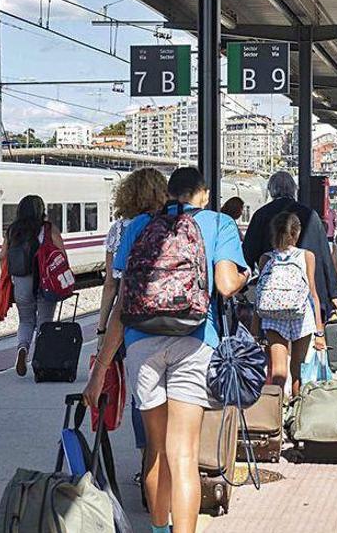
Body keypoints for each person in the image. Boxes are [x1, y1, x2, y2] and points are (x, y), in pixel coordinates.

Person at [84, 168, 249, 533]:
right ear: (203, 194)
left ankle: (158, 529)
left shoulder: (138, 226)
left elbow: (123, 303)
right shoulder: (218, 223)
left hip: (142, 342)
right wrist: (245, 276)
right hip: (194, 339)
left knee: (155, 451)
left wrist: (99, 374)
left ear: (169, 194)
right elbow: (225, 285)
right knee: (184, 454)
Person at [96, 168, 167, 473]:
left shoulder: (120, 229)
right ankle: (166, 458)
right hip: (179, 320)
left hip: (135, 323)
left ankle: (146, 458)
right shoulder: (174, 222)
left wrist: (102, 330)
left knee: (143, 394)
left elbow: (113, 285)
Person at [242, 171, 337, 322]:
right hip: (307, 291)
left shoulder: (261, 215)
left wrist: (241, 287)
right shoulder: (310, 215)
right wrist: (333, 292)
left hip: (273, 294)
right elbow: (325, 255)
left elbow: (247, 253)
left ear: (270, 190)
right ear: (294, 189)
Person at [256, 212, 325, 396]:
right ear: (297, 233)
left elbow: (260, 293)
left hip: (272, 315)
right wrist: (320, 332)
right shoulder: (307, 256)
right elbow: (313, 293)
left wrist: (255, 328)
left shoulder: (266, 258)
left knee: (279, 370)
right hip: (301, 315)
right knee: (298, 368)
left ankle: (276, 415)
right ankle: (296, 412)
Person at [0, 195, 65, 377]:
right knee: (45, 323)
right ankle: (41, 361)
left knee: (26, 320)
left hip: (21, 281)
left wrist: (10, 278)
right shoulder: (48, 228)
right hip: (44, 281)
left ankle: (22, 350)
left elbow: (3, 256)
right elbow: (61, 253)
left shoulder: (13, 230)